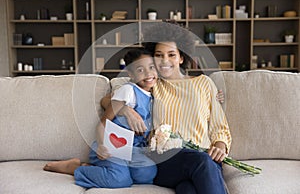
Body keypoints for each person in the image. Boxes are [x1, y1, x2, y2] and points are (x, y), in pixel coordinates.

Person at [102, 22, 232, 194]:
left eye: (171, 55)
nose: (165, 61)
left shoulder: (204, 84)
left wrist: (220, 146)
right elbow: (107, 100)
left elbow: (219, 126)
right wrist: (126, 110)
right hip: (165, 161)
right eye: (158, 55)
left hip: (202, 157)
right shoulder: (151, 84)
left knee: (188, 189)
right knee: (201, 162)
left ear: (181, 57)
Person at [43, 48, 158, 189]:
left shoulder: (153, 95)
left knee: (148, 175)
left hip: (133, 150)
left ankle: (99, 168)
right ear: (131, 74)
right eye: (140, 70)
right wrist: (102, 145)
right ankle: (74, 168)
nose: (148, 73)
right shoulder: (128, 91)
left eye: (151, 67)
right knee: (119, 180)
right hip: (112, 146)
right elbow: (103, 123)